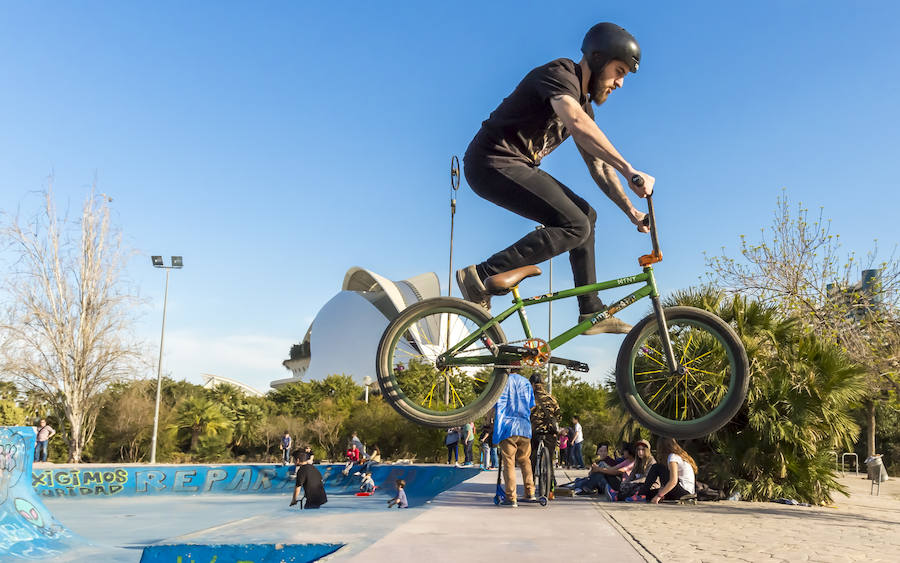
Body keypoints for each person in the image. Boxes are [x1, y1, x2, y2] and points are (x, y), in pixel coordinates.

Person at [456, 22, 654, 336]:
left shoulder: (585, 108)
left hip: (516, 165)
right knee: (575, 225)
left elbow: (599, 168)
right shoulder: (560, 74)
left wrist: (631, 212)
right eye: (618, 71)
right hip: (490, 161)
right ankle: (483, 275)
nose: (619, 83)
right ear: (599, 59)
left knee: (586, 216)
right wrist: (629, 168)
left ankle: (591, 312)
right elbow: (573, 121)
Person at [493, 371, 536, 507]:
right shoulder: (526, 382)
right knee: (525, 461)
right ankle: (530, 492)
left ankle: (511, 497)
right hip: (524, 427)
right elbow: (531, 404)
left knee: (509, 463)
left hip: (508, 427)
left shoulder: (502, 382)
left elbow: (495, 403)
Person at [629, 437, 696, 503]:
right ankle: (641, 495)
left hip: (683, 493)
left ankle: (640, 495)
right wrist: (661, 491)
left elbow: (673, 481)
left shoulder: (673, 457)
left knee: (657, 467)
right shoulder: (681, 456)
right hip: (686, 493)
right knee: (649, 494)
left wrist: (659, 496)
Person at [529, 373, 560, 471]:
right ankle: (551, 481)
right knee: (549, 458)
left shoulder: (529, 398)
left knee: (531, 457)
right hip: (550, 432)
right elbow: (558, 415)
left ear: (532, 384)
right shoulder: (551, 398)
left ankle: (531, 480)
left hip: (534, 431)